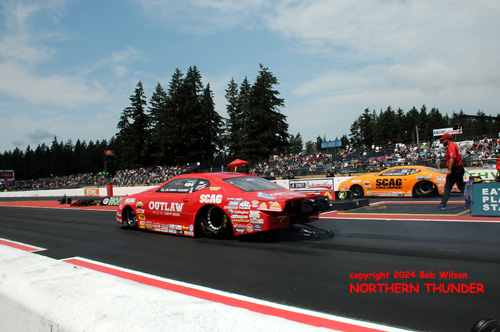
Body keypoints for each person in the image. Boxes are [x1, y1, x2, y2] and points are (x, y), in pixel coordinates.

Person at [437, 133, 466, 210]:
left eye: (443, 139)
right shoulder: (454, 145)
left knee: (448, 186)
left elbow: (452, 158)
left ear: (447, 139)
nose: (443, 141)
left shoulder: (451, 146)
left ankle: (443, 204)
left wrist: (450, 169)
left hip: (455, 169)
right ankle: (469, 202)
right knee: (461, 186)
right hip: (459, 168)